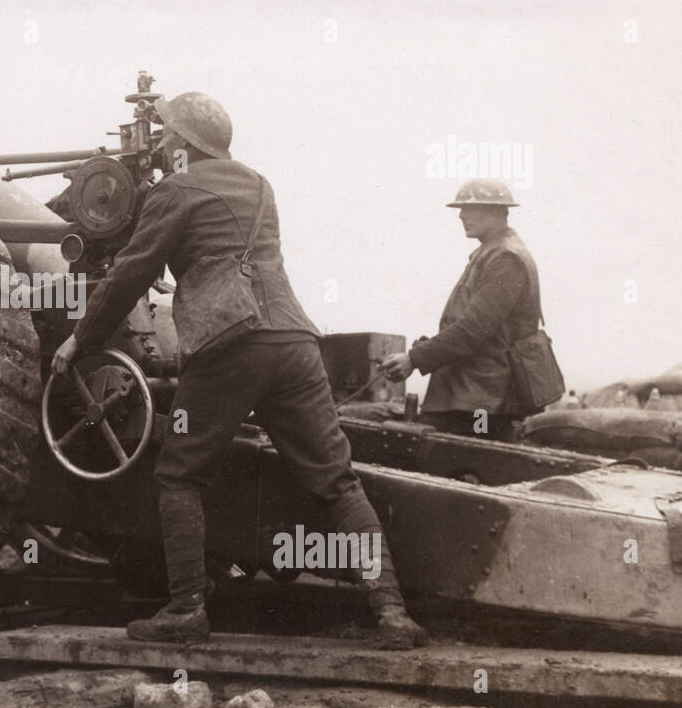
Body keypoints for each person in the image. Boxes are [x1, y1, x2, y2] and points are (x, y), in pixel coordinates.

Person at [51, 92, 427, 649]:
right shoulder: (258, 183)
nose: (159, 147)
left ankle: (185, 612)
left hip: (229, 344)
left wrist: (78, 342)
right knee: (335, 478)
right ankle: (393, 613)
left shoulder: (173, 190)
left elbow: (131, 272)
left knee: (179, 473)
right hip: (294, 342)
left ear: (181, 142)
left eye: (165, 138)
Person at [380, 179, 550, 442]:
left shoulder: (506, 259)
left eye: (471, 209)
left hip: (480, 405)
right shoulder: (492, 254)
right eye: (461, 209)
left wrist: (415, 358)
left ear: (497, 212)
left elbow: (474, 330)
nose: (461, 215)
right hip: (471, 397)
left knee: (469, 466)